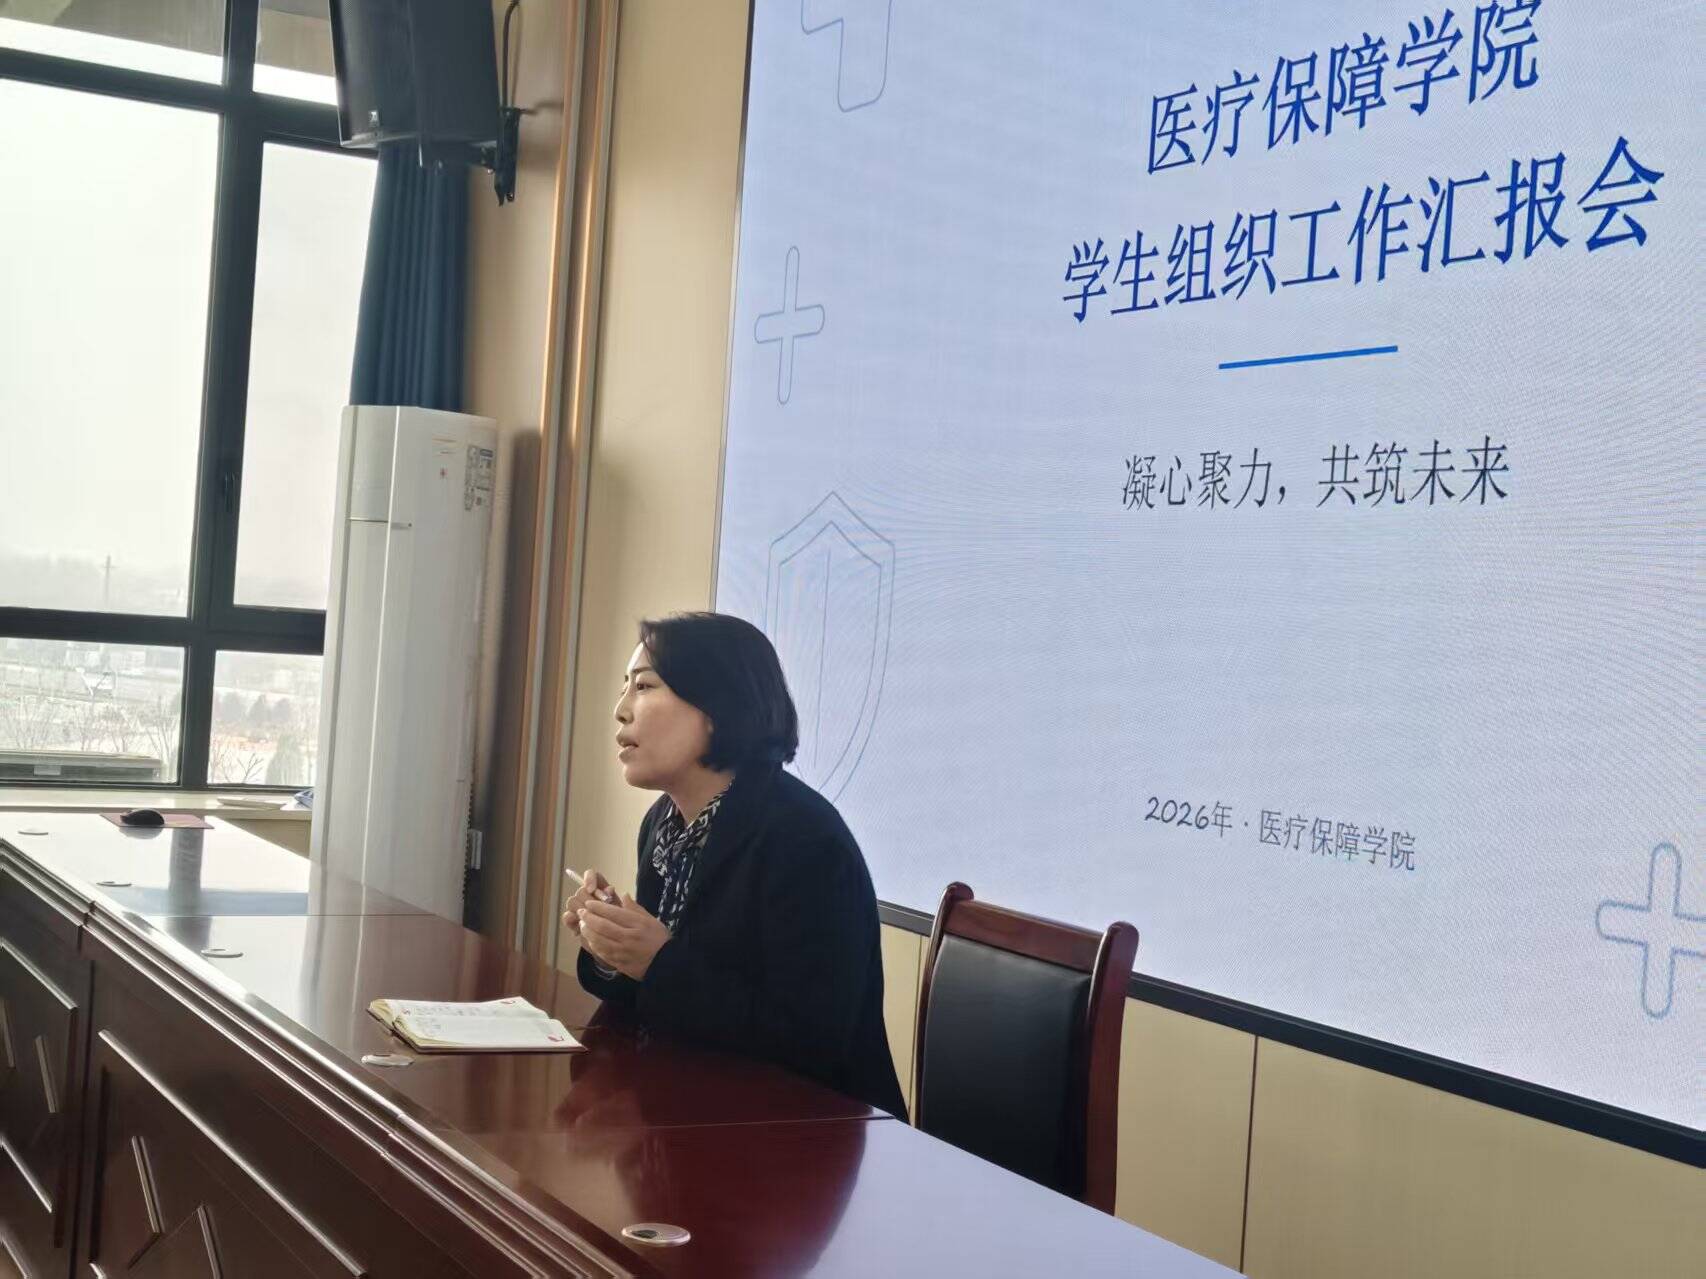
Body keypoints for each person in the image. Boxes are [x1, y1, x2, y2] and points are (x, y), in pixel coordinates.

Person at [563, 612, 907, 1119]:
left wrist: (658, 961)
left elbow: (809, 1041)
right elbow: (659, 998)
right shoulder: (663, 823)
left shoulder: (804, 840)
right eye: (625, 687)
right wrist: (613, 950)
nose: (620, 709)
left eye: (644, 686)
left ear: (715, 708)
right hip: (698, 1106)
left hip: (808, 1132)